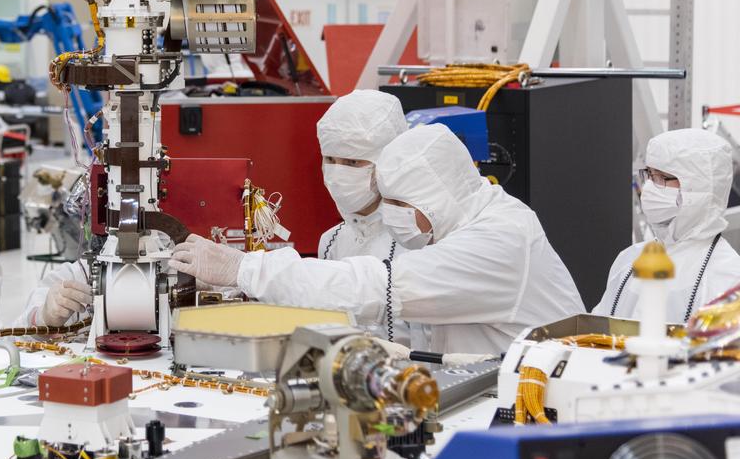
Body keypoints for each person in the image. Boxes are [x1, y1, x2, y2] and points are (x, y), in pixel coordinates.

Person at [14, 89, 411, 335]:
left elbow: (354, 290)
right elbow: (62, 287)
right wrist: (44, 311)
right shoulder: (335, 239)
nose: (339, 173)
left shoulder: (413, 240)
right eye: (331, 160)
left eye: (354, 163)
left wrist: (240, 270)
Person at [170, 123, 584, 354]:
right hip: (477, 389)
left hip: (531, 408)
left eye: (400, 204)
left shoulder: (499, 239)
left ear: (436, 197)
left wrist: (243, 268)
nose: (391, 217)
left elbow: (374, 287)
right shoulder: (453, 223)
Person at [594, 128, 740, 322]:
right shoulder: (628, 261)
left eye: (663, 178)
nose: (649, 188)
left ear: (699, 188)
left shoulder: (728, 280)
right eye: (650, 175)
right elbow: (595, 333)